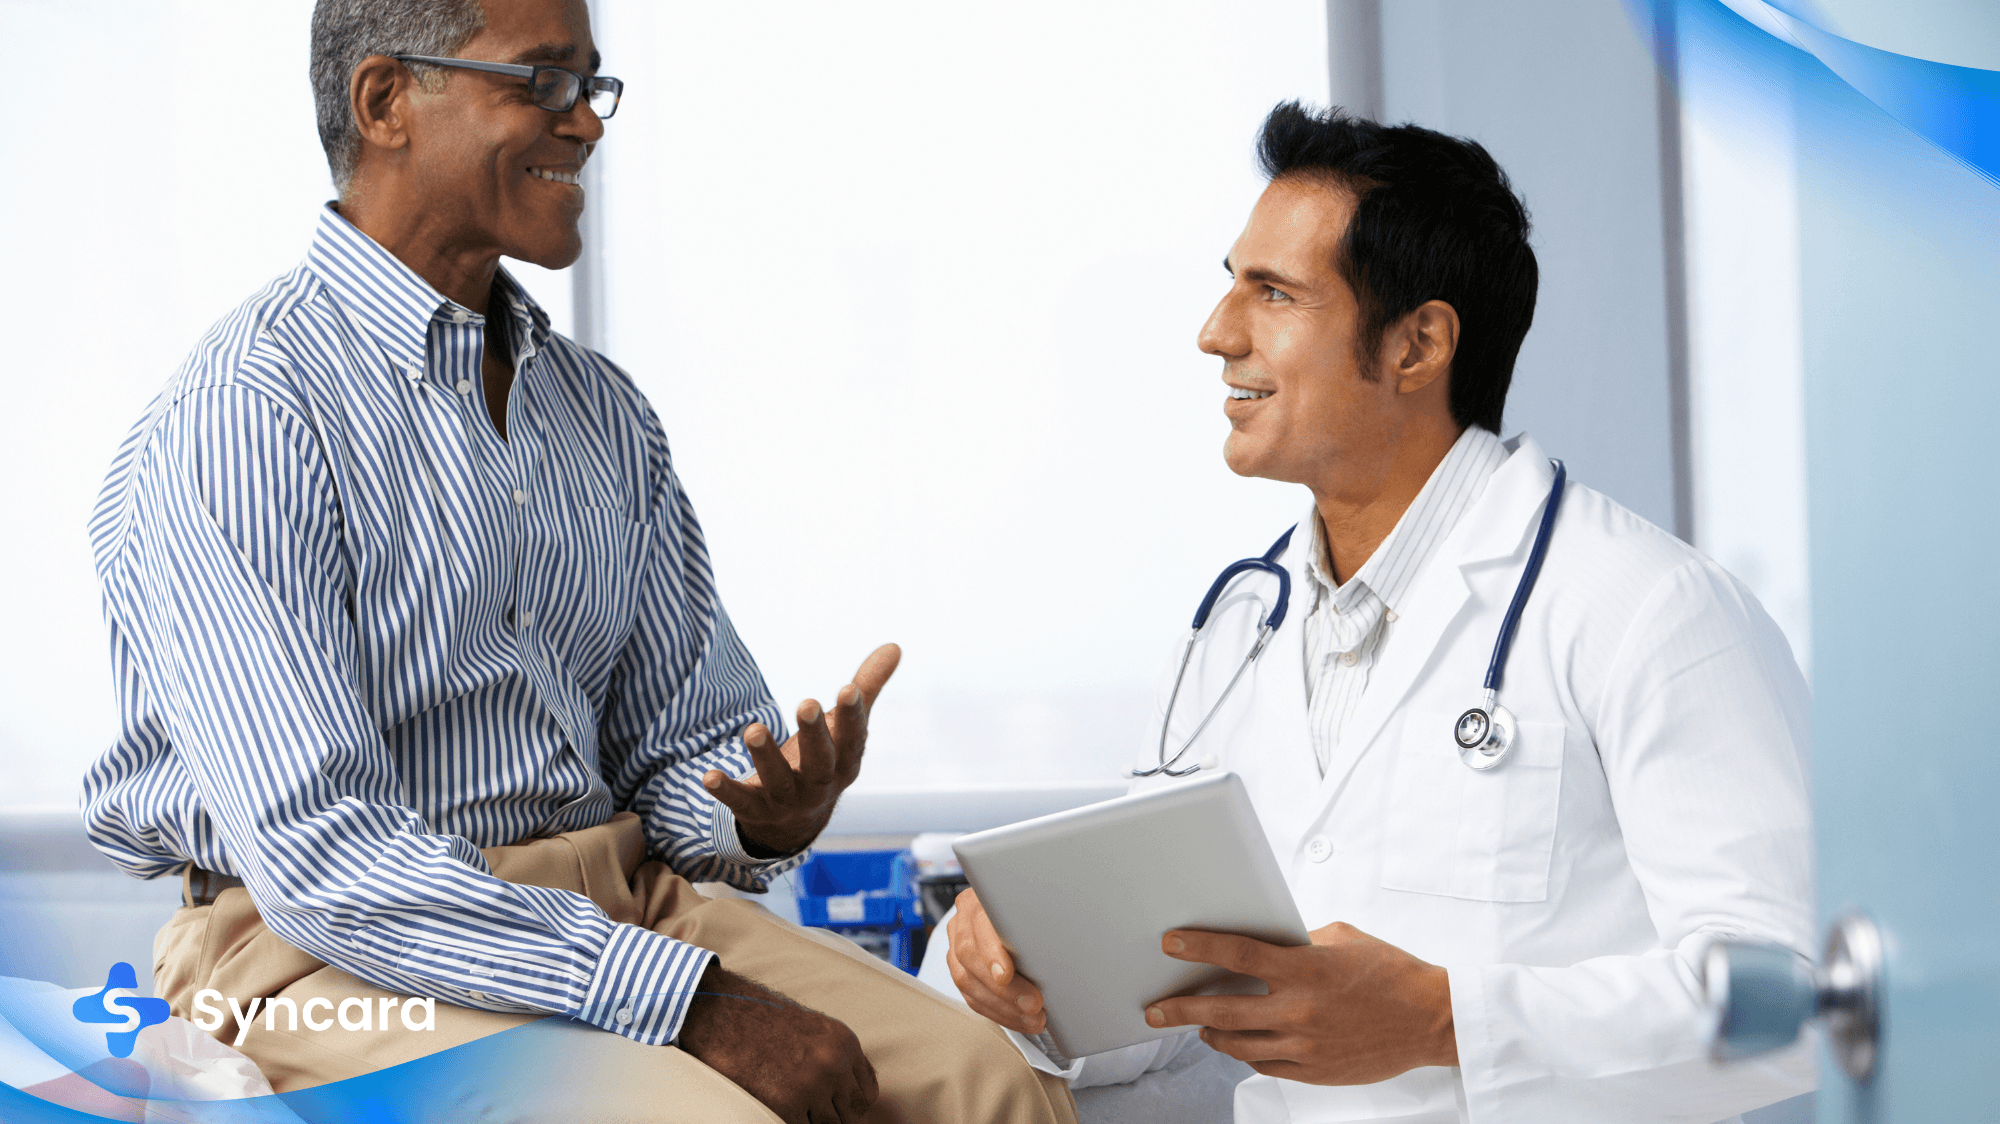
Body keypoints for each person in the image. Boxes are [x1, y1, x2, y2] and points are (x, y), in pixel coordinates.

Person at [78, 1, 1077, 1121]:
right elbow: (328, 861)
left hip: (621, 902)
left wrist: (756, 815)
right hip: (319, 960)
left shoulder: (600, 413)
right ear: (385, 101)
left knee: (991, 1081)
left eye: (591, 86)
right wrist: (691, 1003)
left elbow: (675, 745)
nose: (588, 125)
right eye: (543, 82)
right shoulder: (245, 419)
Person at [935, 103, 1817, 1124]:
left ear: (1416, 344)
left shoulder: (1646, 610)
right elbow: (1176, 984)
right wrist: (1033, 976)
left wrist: (1447, 1019)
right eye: (1231, 284)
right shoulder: (1238, 628)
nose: (1216, 333)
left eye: (1272, 293)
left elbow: (1790, 998)